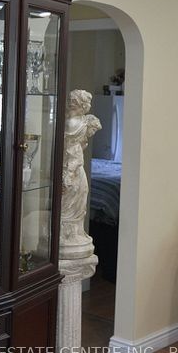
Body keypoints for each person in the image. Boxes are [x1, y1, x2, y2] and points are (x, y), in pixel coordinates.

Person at [61, 89, 101, 245]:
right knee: (70, 197)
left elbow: (81, 145)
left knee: (80, 193)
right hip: (71, 163)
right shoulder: (71, 123)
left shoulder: (83, 121)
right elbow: (73, 148)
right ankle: (68, 232)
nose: (71, 104)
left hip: (76, 163)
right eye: (70, 101)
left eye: (74, 101)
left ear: (82, 105)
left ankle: (73, 232)